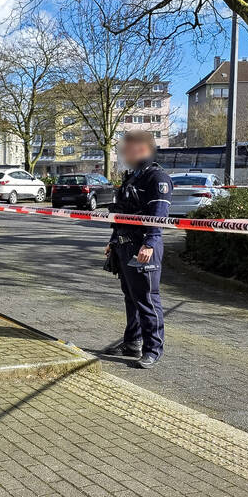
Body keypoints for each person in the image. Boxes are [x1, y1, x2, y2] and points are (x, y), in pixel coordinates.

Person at [104, 130, 173, 369]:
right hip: (124, 245)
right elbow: (122, 213)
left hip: (143, 246)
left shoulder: (156, 178)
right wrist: (113, 241)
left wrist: (151, 243)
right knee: (131, 297)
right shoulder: (132, 176)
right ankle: (133, 341)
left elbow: (159, 215)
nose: (125, 153)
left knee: (147, 298)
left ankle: (153, 348)